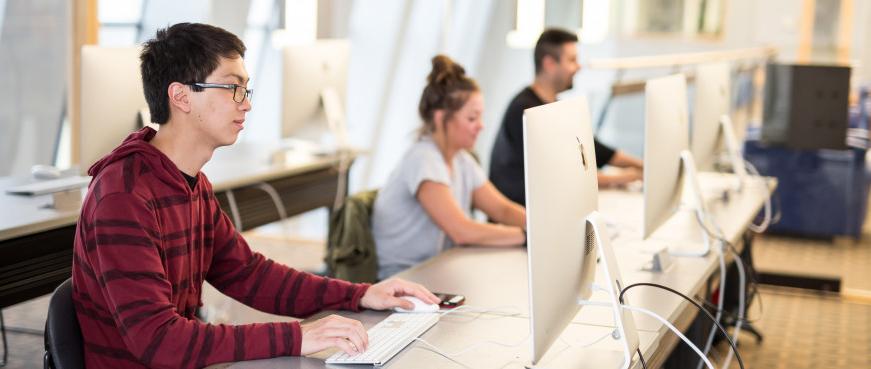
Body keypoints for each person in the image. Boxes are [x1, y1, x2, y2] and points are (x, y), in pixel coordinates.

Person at [70, 23, 439, 369]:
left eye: (246, 90)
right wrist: (297, 336)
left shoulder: (191, 183)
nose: (245, 103)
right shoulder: (123, 194)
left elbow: (248, 274)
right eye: (233, 88)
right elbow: (159, 340)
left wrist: (359, 295)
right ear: (181, 96)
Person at [372, 55, 527, 279]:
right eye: (472, 118)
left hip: (441, 268)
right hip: (406, 278)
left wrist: (541, 226)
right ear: (440, 118)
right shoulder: (423, 159)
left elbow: (501, 210)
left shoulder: (461, 160)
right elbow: (461, 230)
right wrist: (527, 236)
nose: (481, 126)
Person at [490, 28, 644, 206]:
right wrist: (624, 178)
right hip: (522, 219)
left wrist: (641, 165)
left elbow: (593, 148)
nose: (578, 67)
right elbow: (563, 173)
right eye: (572, 60)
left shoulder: (555, 105)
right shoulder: (526, 111)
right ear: (549, 64)